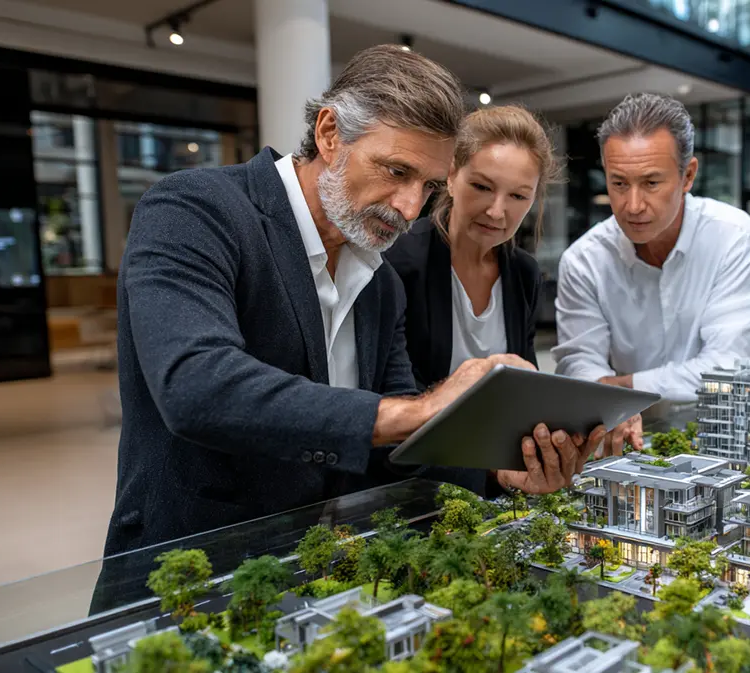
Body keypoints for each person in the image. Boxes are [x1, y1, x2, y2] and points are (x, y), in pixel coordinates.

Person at [102, 46, 603, 571]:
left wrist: (498, 472)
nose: (410, 207)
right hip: (186, 570)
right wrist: (421, 409)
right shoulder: (195, 209)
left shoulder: (380, 283)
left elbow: (392, 452)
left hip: (317, 566)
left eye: (429, 186)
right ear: (329, 133)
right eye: (396, 170)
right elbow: (196, 387)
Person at [553, 93, 750, 448]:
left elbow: (729, 365)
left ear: (688, 176)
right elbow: (581, 364)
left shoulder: (731, 234)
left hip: (740, 425)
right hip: (645, 435)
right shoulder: (583, 261)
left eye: (651, 183)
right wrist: (604, 391)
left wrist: (620, 388)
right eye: (619, 183)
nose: (633, 205)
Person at [384, 105, 556, 390]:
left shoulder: (524, 274)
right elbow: (391, 389)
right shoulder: (399, 260)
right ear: (451, 176)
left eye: (517, 196)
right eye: (482, 187)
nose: (496, 212)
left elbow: (525, 380)